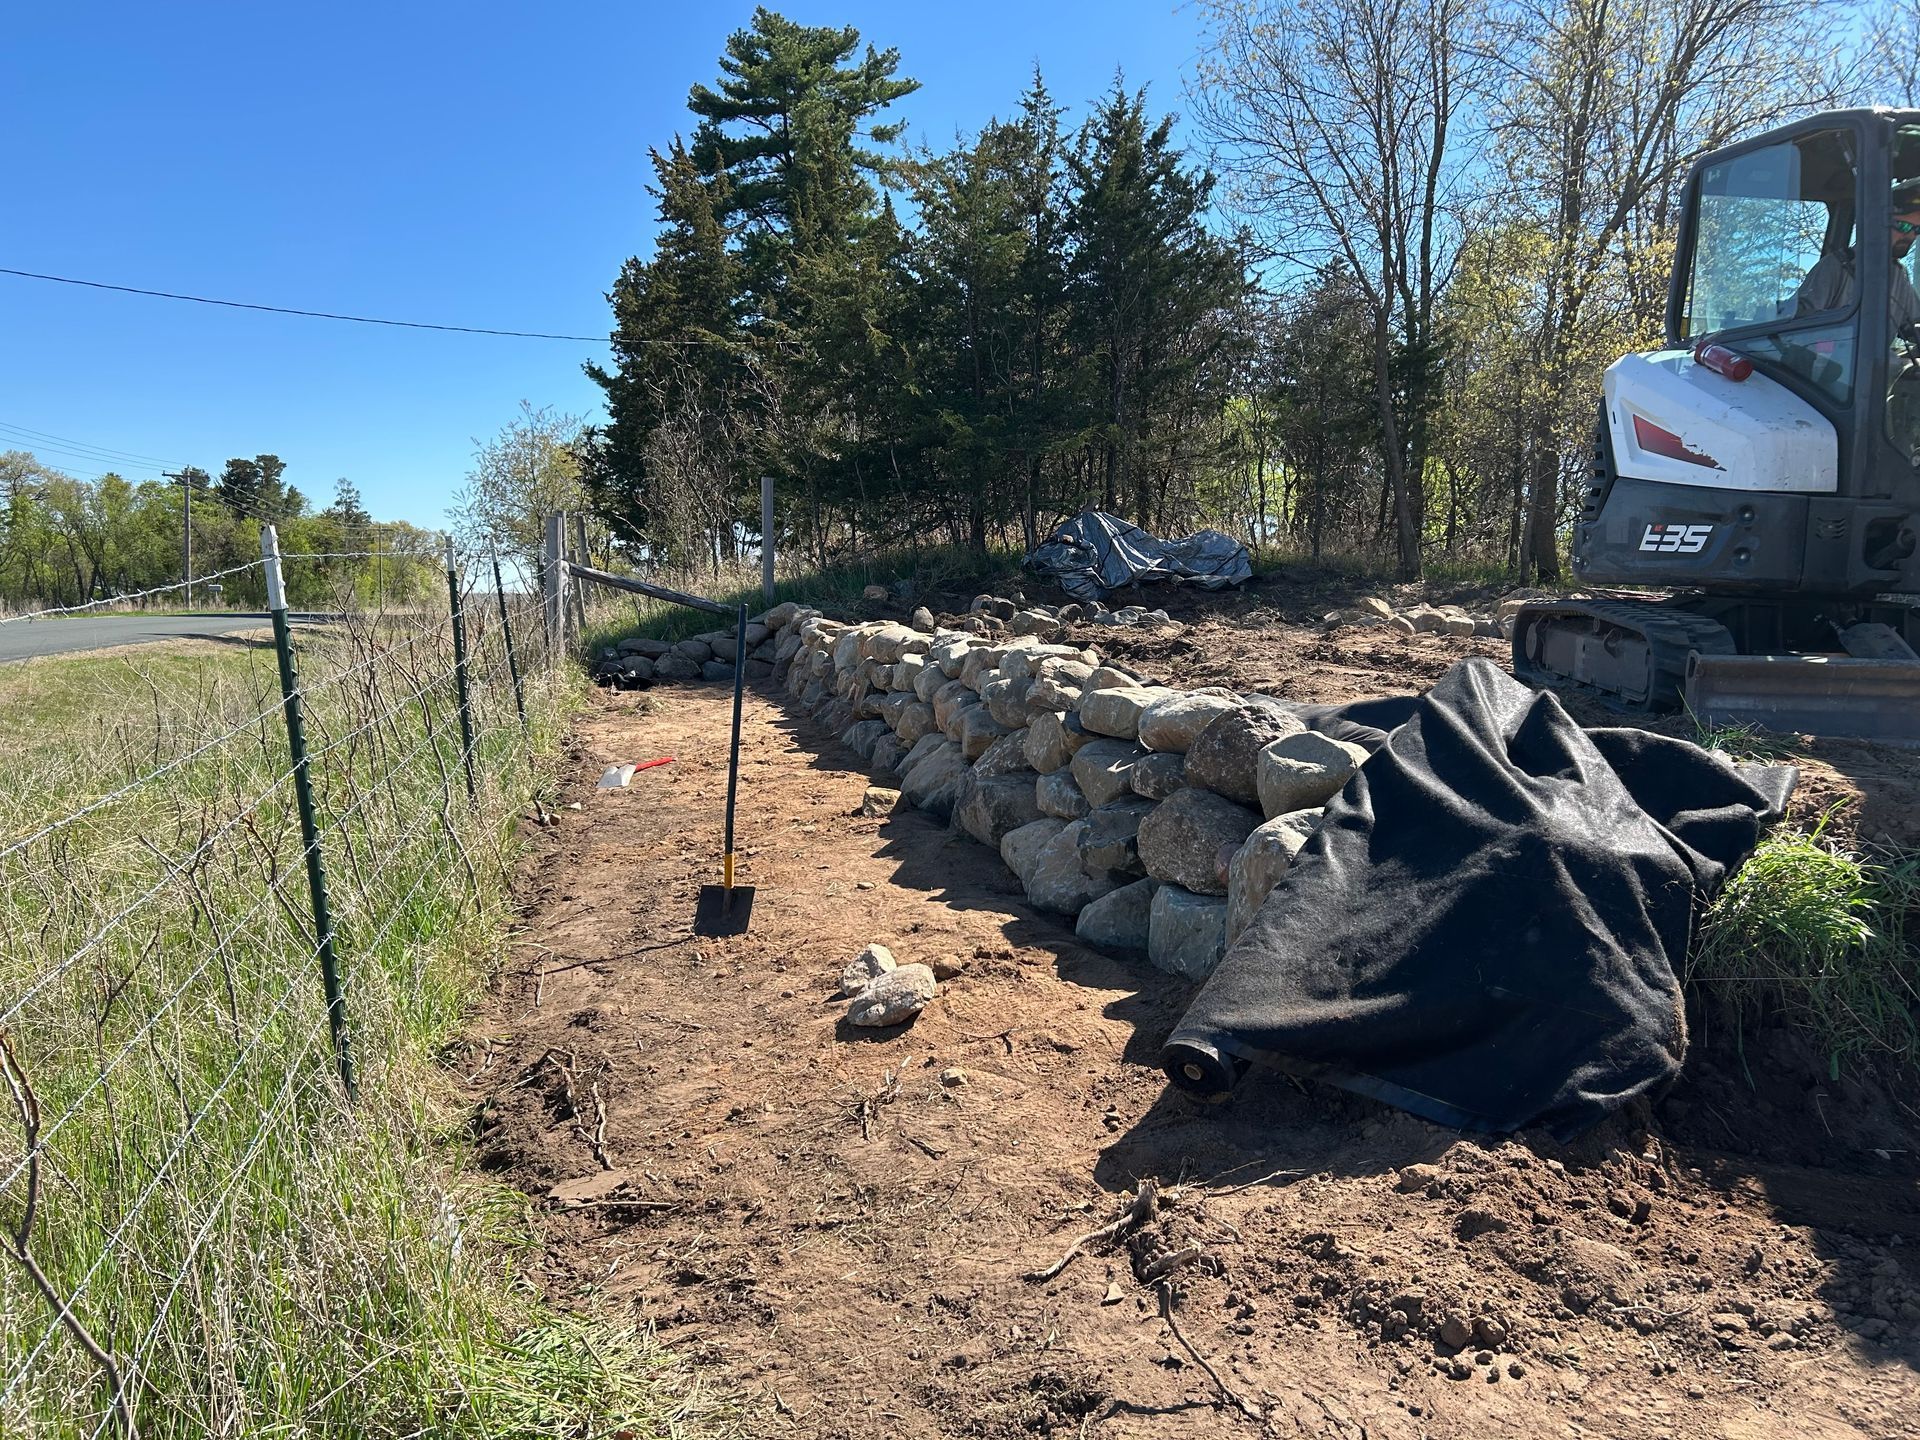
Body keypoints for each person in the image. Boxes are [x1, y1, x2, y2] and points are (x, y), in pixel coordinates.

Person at [1794, 181, 1920, 336]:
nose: (1911, 236)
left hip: (1879, 360)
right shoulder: (1835, 266)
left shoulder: (1898, 275)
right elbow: (1800, 323)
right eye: (1904, 226)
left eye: (1917, 229)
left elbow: (1914, 325)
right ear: (1877, 224)